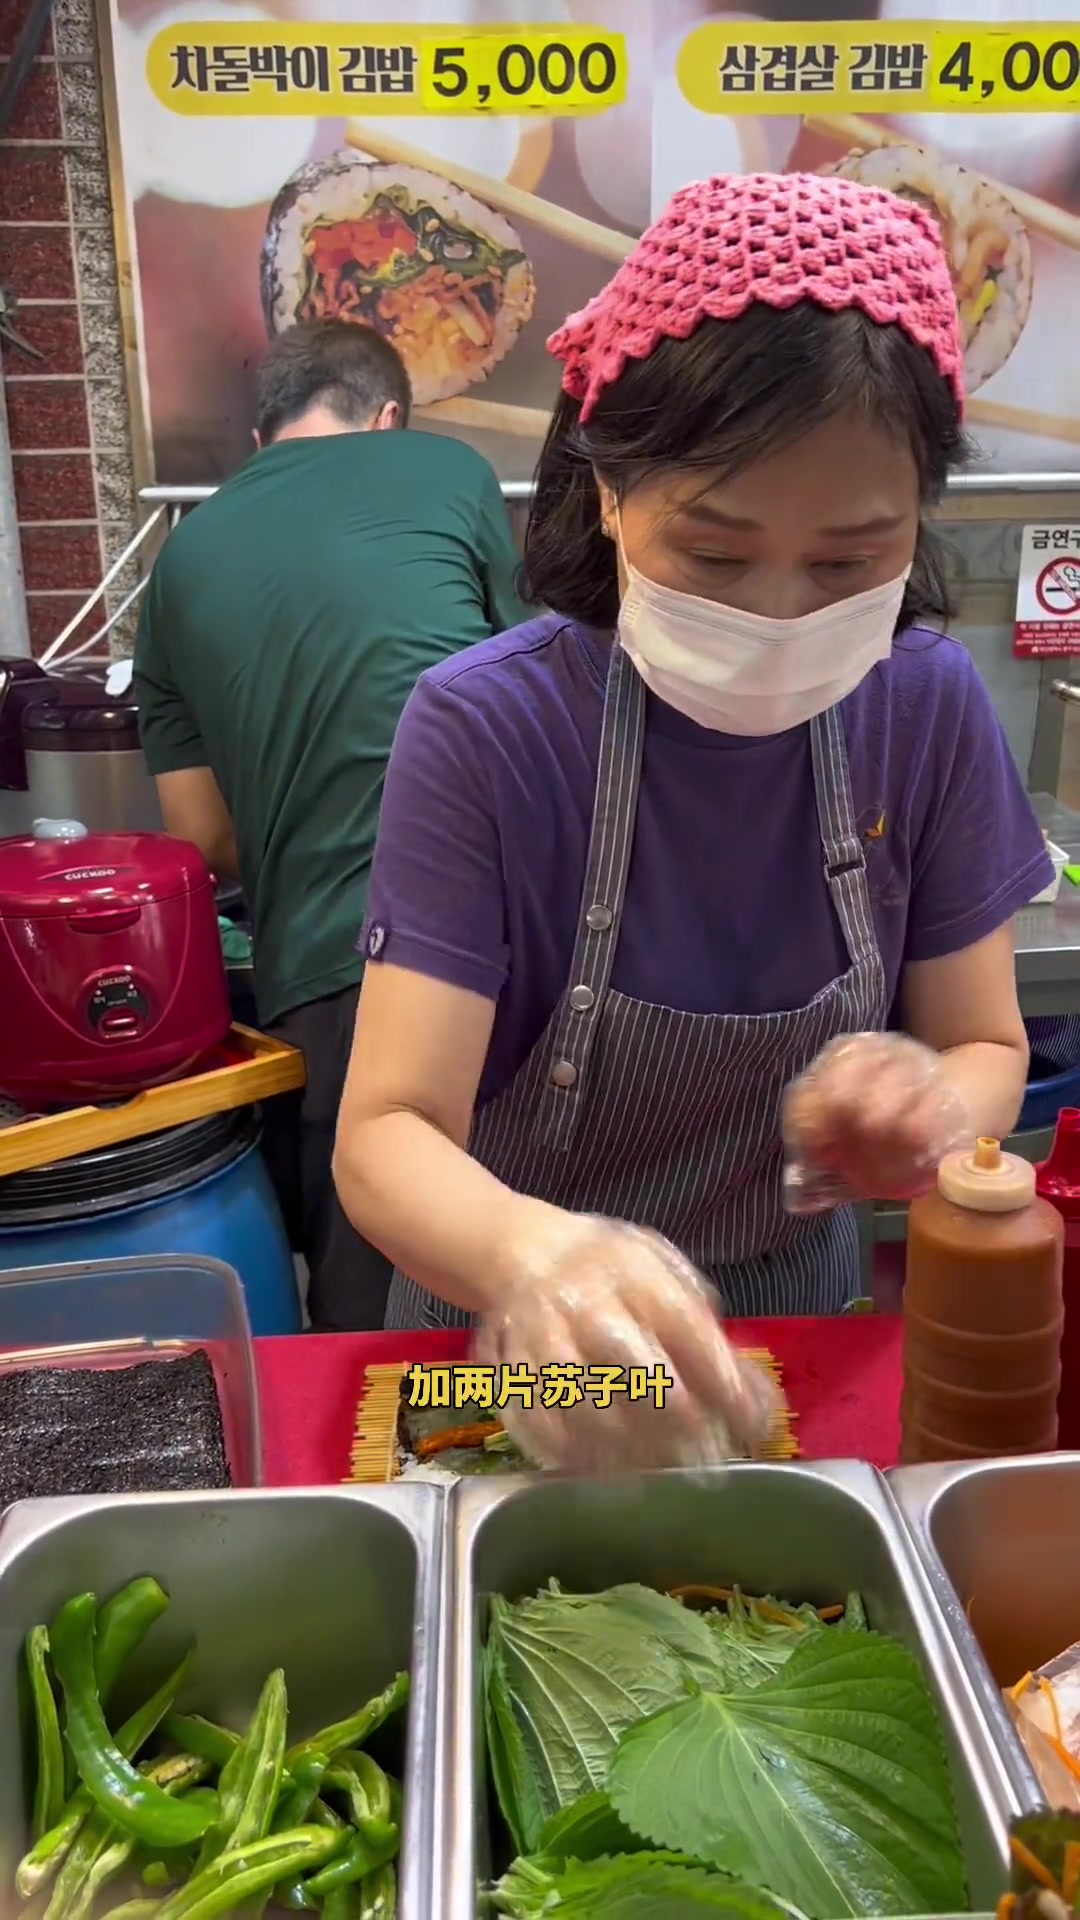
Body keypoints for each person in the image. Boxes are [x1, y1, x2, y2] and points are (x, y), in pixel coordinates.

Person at [331, 172, 1052, 1462]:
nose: (777, 611)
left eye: (849, 561)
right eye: (713, 555)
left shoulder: (927, 708)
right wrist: (535, 1256)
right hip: (520, 1342)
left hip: (792, 1332)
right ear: (610, 491)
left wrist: (930, 1107)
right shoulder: (488, 727)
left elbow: (986, 1042)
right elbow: (388, 1136)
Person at [134, 318, 530, 1332]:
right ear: (387, 416)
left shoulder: (177, 566)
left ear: (261, 438)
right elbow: (544, 686)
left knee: (372, 1334)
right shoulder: (448, 472)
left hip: (322, 977)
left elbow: (201, 838)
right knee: (544, 1313)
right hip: (510, 942)